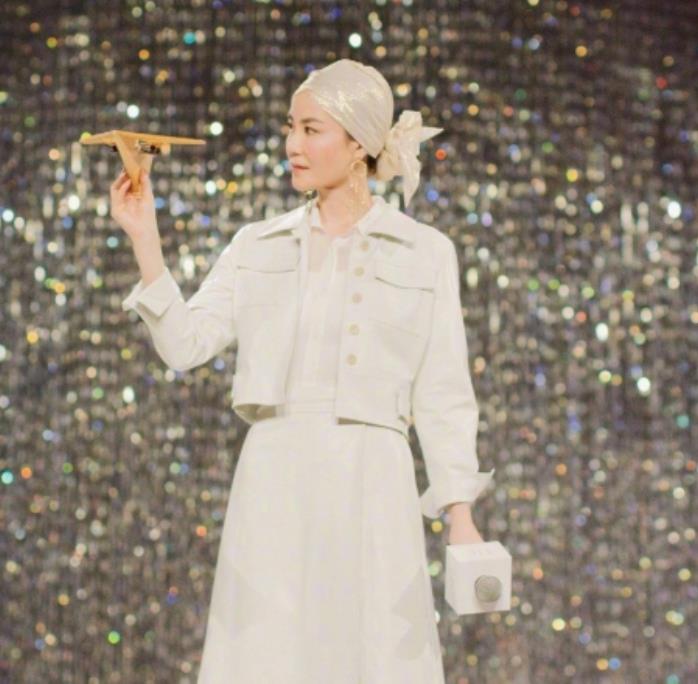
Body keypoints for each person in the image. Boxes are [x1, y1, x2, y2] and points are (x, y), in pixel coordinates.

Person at [110, 58, 495, 684]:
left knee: (371, 649)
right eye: (290, 127)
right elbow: (185, 345)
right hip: (275, 472)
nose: (292, 144)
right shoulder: (257, 244)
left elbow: (444, 391)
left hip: (373, 476)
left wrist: (460, 514)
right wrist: (143, 237)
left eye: (311, 129)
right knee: (267, 649)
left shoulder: (425, 252)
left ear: (359, 143)